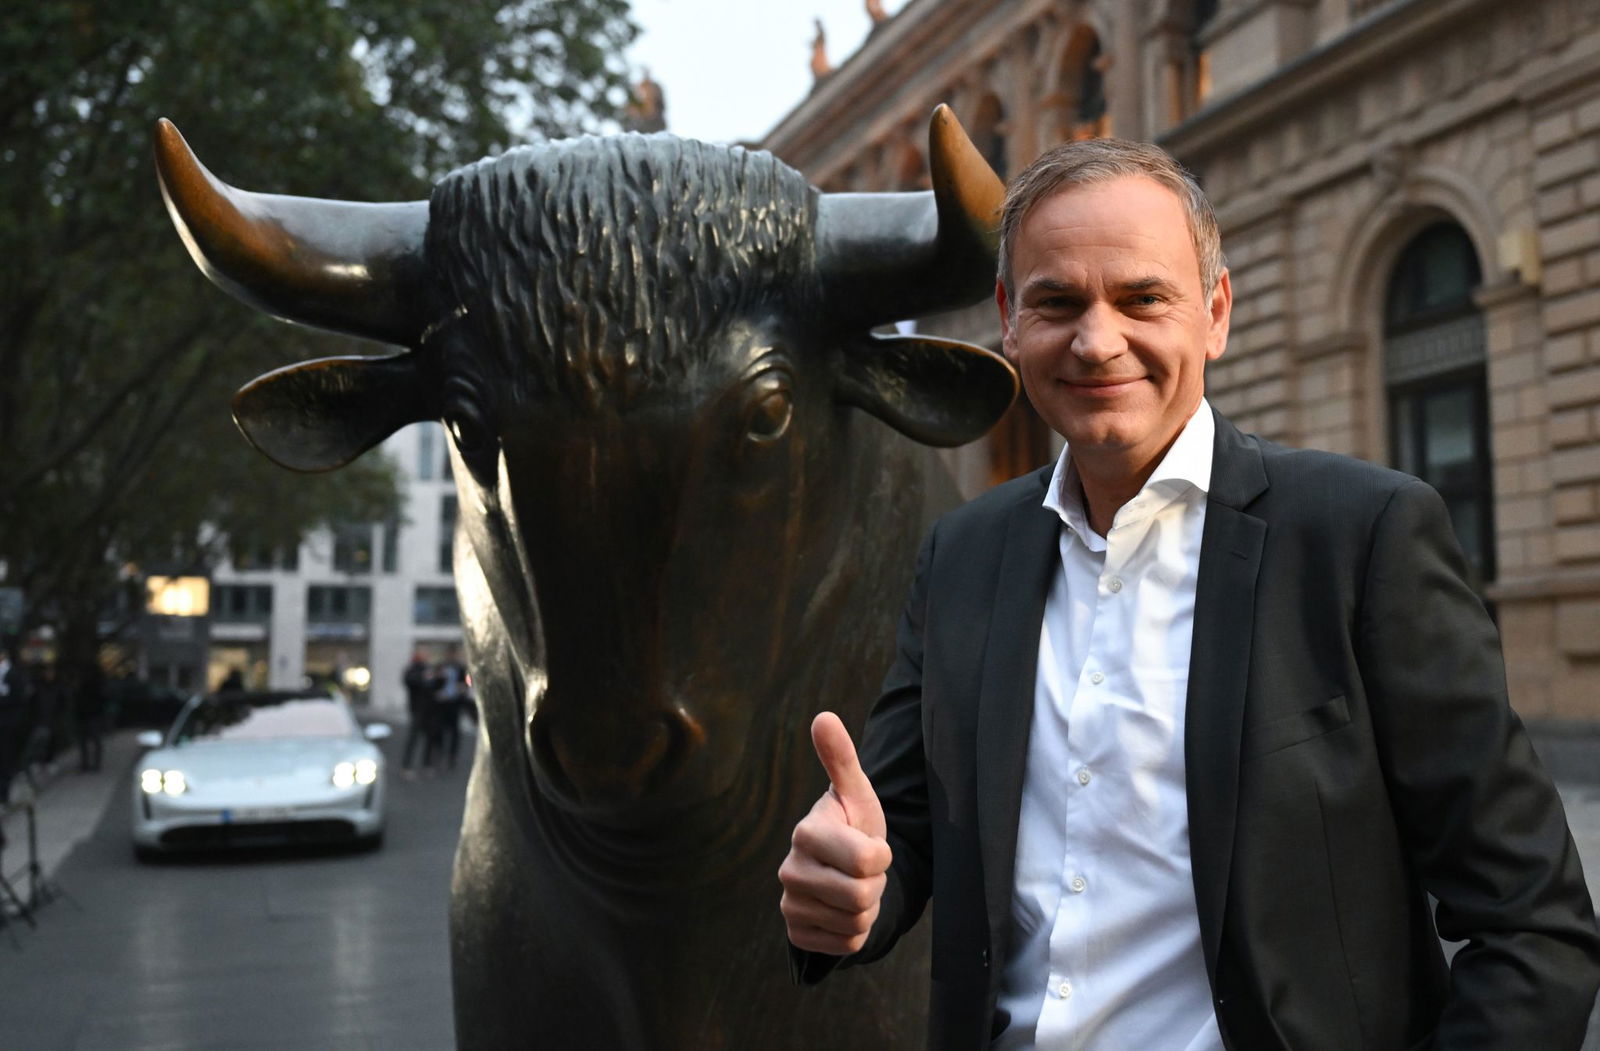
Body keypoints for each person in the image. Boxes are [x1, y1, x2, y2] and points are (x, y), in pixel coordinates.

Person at [778, 138, 1600, 1049]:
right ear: (1009, 320)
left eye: (1141, 298)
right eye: (1056, 302)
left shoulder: (1362, 536)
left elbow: (1535, 926)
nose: (1097, 340)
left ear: (1214, 313)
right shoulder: (963, 554)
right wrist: (849, 890)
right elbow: (903, 833)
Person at [400, 651, 438, 777]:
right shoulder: (413, 670)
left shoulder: (429, 669)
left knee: (429, 738)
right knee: (413, 738)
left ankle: (427, 764)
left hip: (429, 709)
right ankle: (407, 766)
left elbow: (435, 686)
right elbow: (409, 681)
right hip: (418, 709)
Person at [432, 646, 469, 772]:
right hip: (442, 705)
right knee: (440, 730)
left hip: (454, 704)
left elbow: (465, 685)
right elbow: (433, 682)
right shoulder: (441, 667)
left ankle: (452, 757)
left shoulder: (460, 668)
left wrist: (461, 689)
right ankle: (440, 754)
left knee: (454, 732)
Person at [73, 660, 106, 773]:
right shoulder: (89, 683)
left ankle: (90, 764)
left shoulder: (93, 683)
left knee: (92, 740)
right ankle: (88, 764)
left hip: (91, 714)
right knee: (88, 741)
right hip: (87, 714)